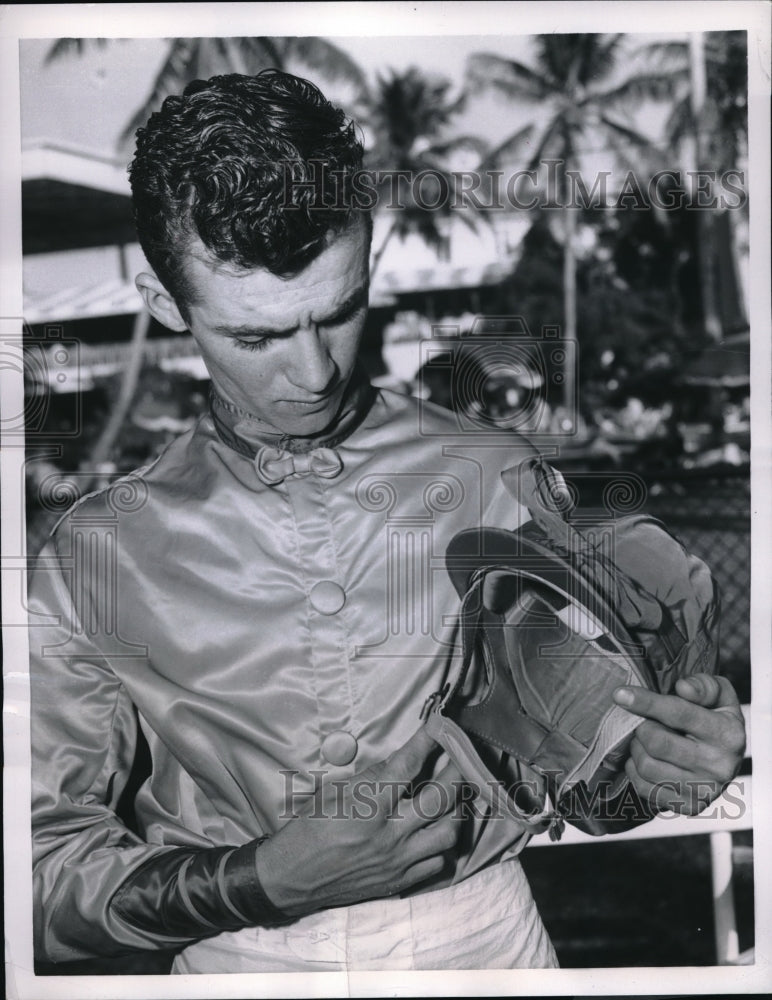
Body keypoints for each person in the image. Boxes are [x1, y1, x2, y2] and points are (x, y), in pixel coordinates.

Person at [28, 70, 746, 974]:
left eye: (340, 311)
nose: (316, 371)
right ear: (168, 306)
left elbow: (571, 771)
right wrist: (259, 881)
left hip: (495, 946)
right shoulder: (96, 551)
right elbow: (38, 873)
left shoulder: (492, 471)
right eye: (256, 337)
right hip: (239, 962)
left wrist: (653, 767)